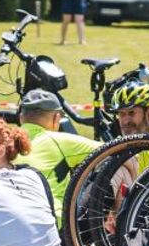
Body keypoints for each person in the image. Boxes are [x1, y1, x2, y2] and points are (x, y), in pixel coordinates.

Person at [18, 88, 99, 223]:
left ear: (21, 118)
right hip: (51, 225)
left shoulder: (4, 143)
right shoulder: (58, 141)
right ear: (57, 118)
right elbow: (117, 149)